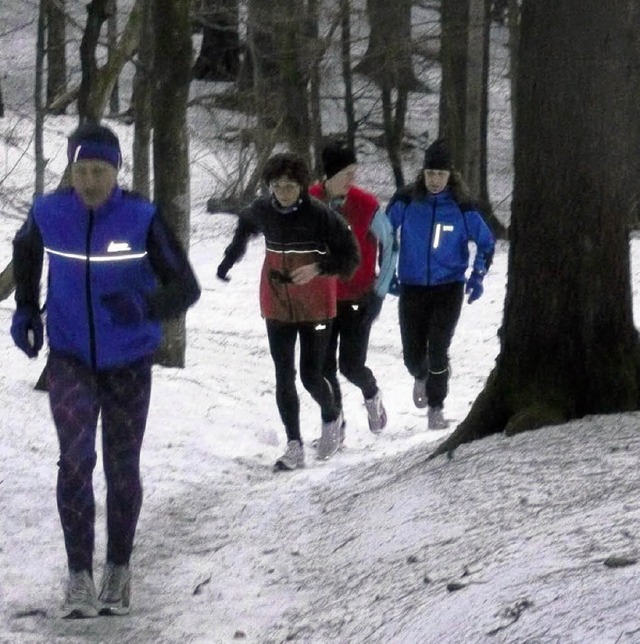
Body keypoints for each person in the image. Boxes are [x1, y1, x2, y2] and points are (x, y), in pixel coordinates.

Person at [10, 122, 201, 619]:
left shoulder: (141, 217)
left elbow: (186, 287)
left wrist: (145, 307)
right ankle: (78, 577)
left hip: (129, 363)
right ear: (69, 170)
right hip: (70, 357)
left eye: (100, 170)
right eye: (81, 170)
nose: (90, 181)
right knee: (74, 461)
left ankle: (118, 566)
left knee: (121, 466)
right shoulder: (48, 212)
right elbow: (26, 252)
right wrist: (27, 308)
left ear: (116, 171)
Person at [216, 152, 360, 469]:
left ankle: (332, 415)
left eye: (290, 186)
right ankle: (293, 445)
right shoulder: (263, 209)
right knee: (284, 375)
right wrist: (229, 259)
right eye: (278, 186)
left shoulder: (321, 215)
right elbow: (245, 227)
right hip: (276, 299)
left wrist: (318, 267)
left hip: (316, 304)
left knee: (312, 376)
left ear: (302, 186)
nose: (283, 192)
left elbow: (351, 258)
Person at [386, 138, 495, 429]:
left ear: (451, 175)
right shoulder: (406, 201)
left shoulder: (462, 207)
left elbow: (486, 243)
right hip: (412, 286)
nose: (435, 180)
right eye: (430, 173)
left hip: (449, 287)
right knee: (412, 356)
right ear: (422, 173)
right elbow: (382, 236)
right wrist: (387, 274)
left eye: (441, 174)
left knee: (437, 350)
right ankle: (422, 375)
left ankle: (436, 407)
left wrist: (478, 275)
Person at [309, 141, 397, 437]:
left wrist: (380, 291)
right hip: (322, 299)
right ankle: (336, 423)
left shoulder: (366, 205)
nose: (352, 179)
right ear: (330, 175)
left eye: (354, 172)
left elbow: (391, 245)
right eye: (347, 173)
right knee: (323, 367)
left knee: (351, 365)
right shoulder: (310, 201)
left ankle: (372, 395)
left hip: (359, 297)